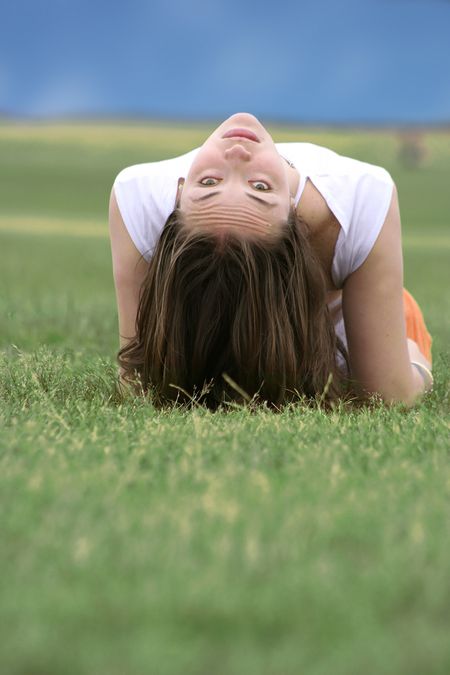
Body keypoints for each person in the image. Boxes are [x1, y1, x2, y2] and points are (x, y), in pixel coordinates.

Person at [109, 112, 433, 409]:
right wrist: (417, 365)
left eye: (210, 183)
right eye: (260, 188)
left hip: (334, 309)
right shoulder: (362, 199)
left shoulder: (359, 198)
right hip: (216, 323)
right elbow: (139, 380)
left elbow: (387, 394)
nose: (237, 154)